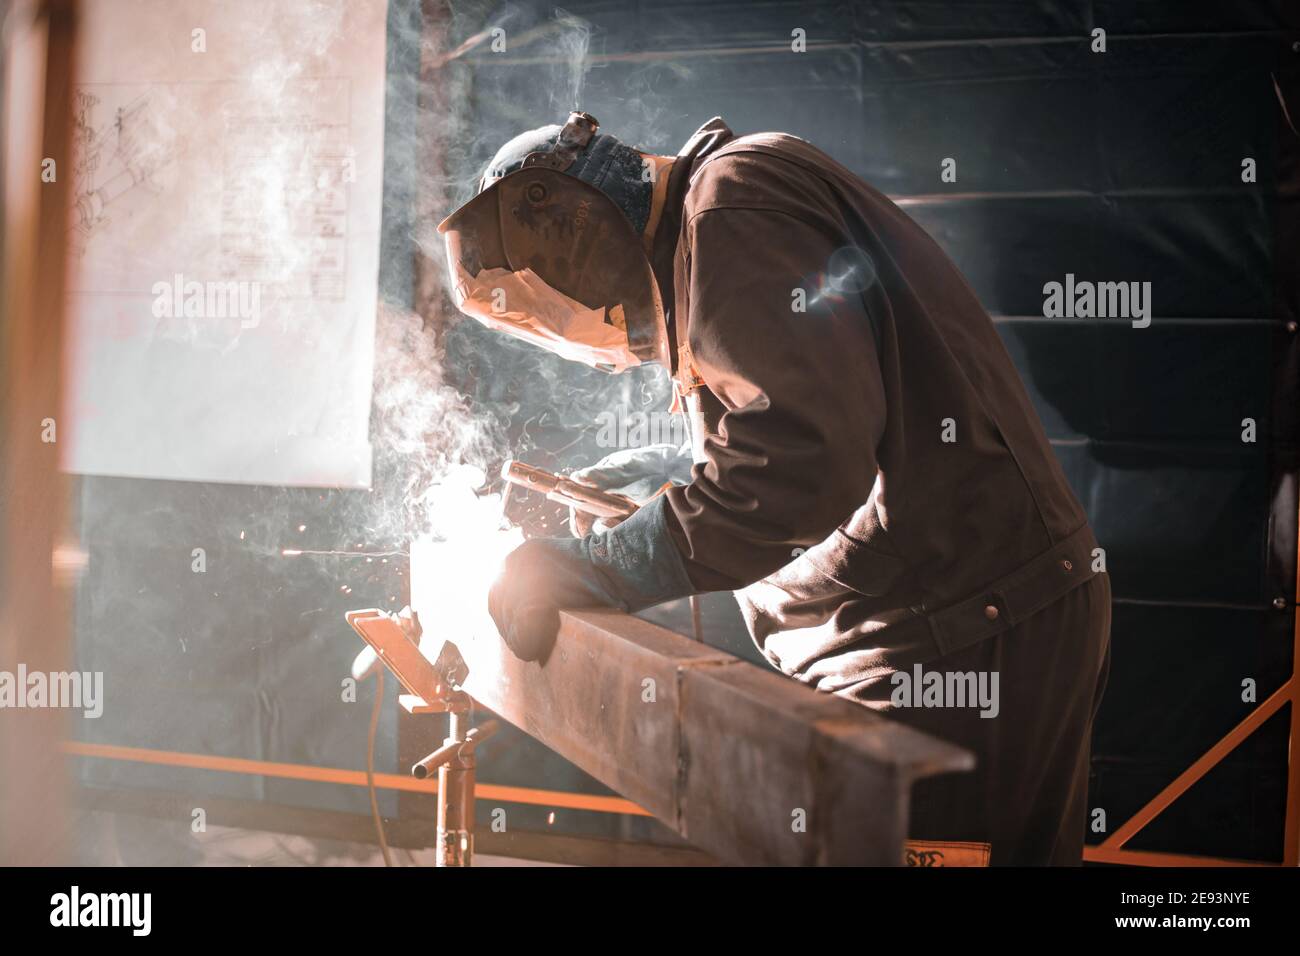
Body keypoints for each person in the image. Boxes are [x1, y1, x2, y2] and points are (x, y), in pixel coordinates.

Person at [438, 111, 1111, 865]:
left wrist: (601, 564)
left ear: (570, 220)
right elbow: (818, 418)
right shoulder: (718, 230)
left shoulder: (734, 203)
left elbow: (799, 463)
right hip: (920, 626)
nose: (589, 326)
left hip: (955, 635)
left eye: (562, 299)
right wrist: (668, 476)